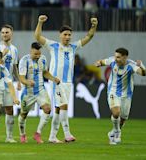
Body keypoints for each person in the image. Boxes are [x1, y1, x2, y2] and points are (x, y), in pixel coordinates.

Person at [34, 14, 98, 143]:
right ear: (60, 35)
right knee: (64, 106)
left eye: (69, 35)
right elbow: (38, 37)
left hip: (68, 82)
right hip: (56, 82)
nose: (67, 37)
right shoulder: (53, 46)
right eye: (65, 34)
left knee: (58, 109)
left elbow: (89, 36)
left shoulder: (74, 47)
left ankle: (52, 136)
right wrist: (40, 22)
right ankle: (67, 134)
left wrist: (94, 25)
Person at [94, 48, 146, 145]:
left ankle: (112, 133)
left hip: (127, 95)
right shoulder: (112, 61)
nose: (116, 59)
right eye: (115, 56)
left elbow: (143, 73)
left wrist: (142, 67)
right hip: (113, 92)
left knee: (123, 119)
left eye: (118, 57)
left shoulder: (131, 65)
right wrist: (98, 63)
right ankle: (117, 133)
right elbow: (101, 62)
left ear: (125, 57)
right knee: (116, 112)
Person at [18, 42, 60, 144]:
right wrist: (28, 82)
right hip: (28, 92)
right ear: (31, 51)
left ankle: (38, 133)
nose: (37, 56)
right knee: (23, 115)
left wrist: (53, 79)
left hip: (40, 90)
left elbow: (45, 72)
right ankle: (22, 134)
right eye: (35, 54)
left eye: (39, 54)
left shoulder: (43, 59)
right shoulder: (24, 60)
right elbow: (21, 78)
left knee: (47, 109)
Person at [0, 24, 21, 143]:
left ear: (11, 33)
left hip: (9, 82)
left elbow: (14, 66)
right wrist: (3, 53)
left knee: (9, 109)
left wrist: (18, 81)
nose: (4, 34)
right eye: (2, 32)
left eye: (7, 32)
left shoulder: (15, 49)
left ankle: (9, 137)